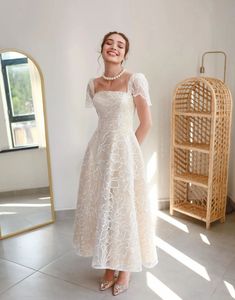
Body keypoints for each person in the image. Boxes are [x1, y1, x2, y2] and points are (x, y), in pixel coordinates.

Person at [72, 31, 158, 296]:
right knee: (104, 207)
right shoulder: (93, 84)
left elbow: (146, 123)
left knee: (124, 209)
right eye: (110, 43)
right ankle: (108, 265)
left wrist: (128, 152)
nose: (114, 47)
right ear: (102, 48)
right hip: (98, 153)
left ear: (125, 54)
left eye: (120, 45)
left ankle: (126, 269)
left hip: (123, 154)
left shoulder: (135, 80)